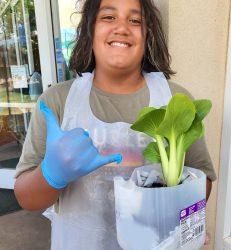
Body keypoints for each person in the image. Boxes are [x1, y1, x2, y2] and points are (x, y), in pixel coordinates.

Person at [14, 0, 217, 249]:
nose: (122, 27)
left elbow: (202, 178)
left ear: (148, 35)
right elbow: (26, 198)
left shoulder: (175, 99)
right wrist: (51, 174)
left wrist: (174, 210)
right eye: (108, 17)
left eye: (135, 20)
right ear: (90, 29)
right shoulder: (57, 102)